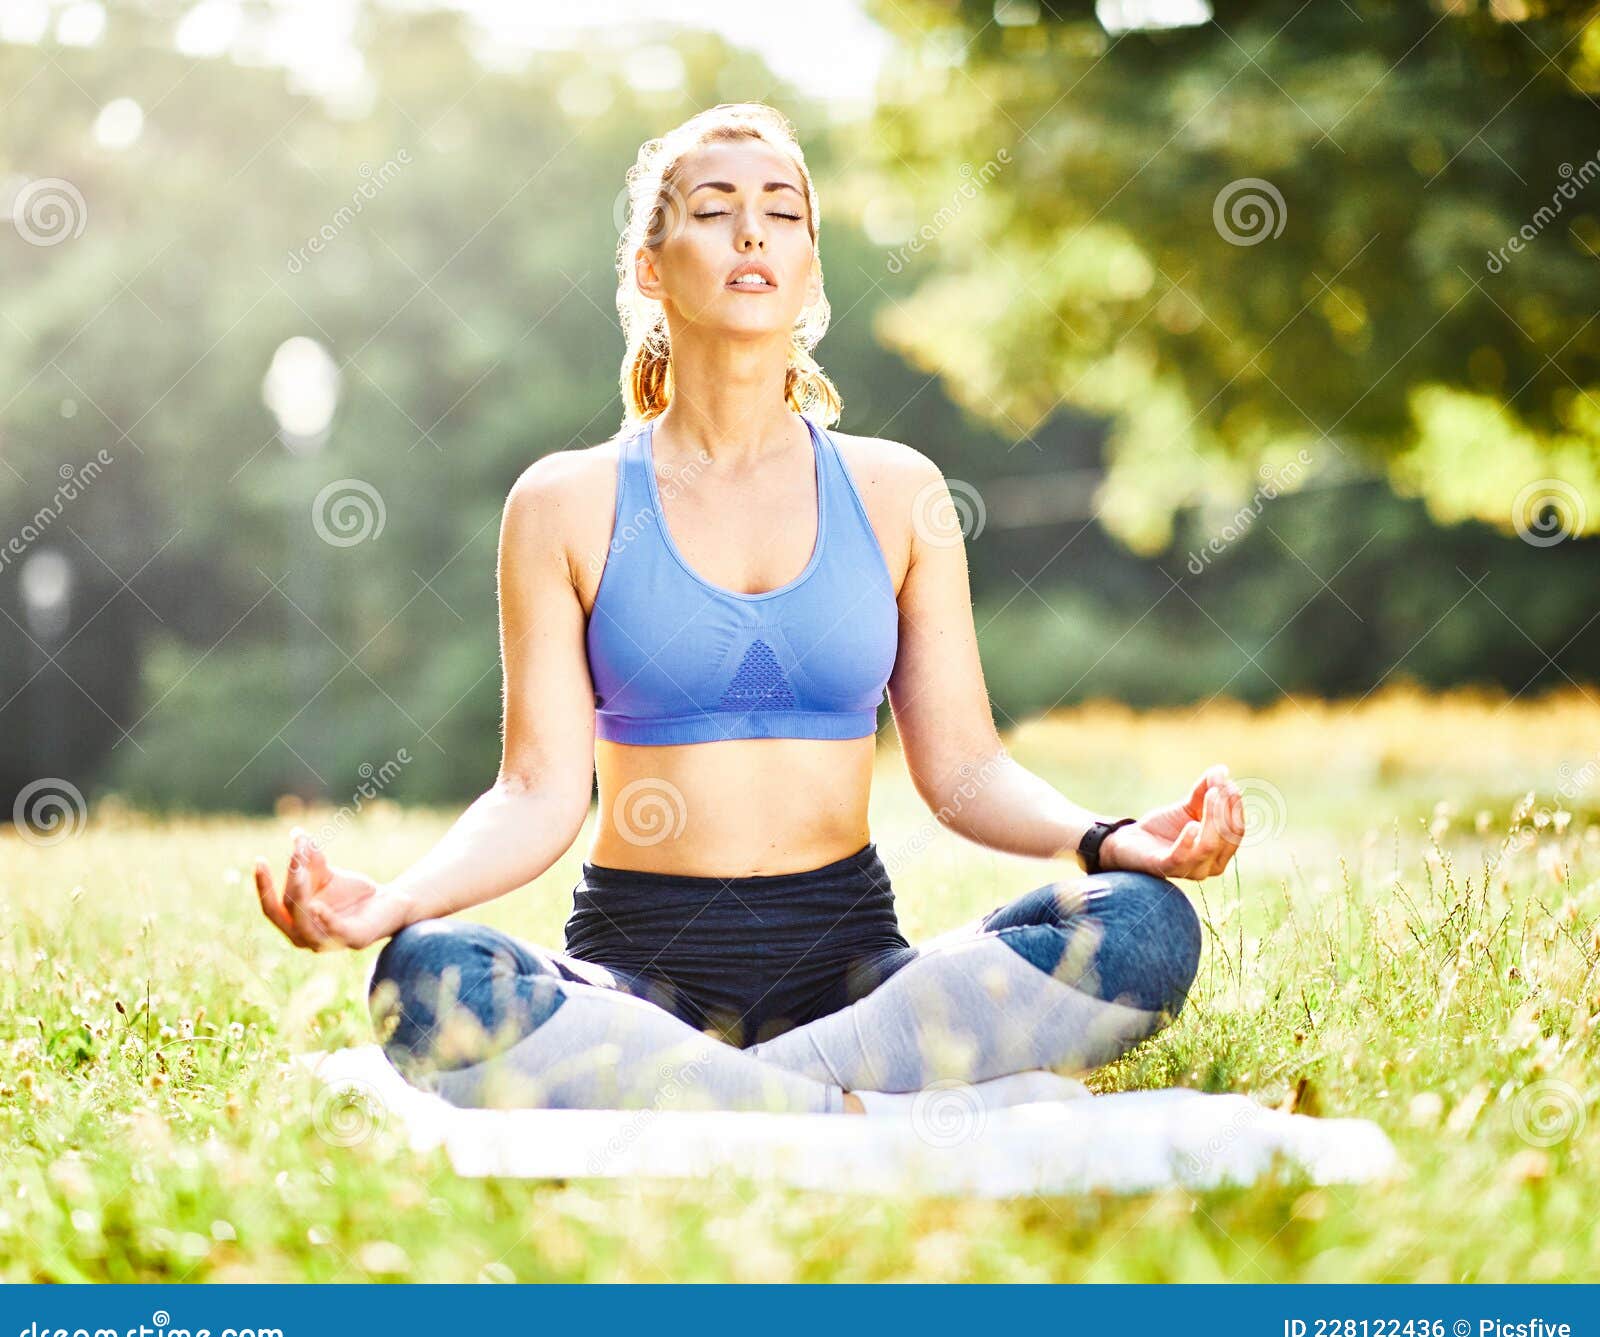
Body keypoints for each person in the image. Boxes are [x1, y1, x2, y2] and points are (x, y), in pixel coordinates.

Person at [253, 102, 1245, 1116]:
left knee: (1145, 928)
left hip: (855, 970)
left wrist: (1111, 840)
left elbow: (964, 770)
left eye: (783, 213)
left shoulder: (897, 492)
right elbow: (536, 792)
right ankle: (828, 1100)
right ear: (650, 264)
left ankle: (734, 1097)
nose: (752, 233)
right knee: (426, 978)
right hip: (636, 980)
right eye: (715, 209)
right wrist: (396, 902)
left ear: (810, 266)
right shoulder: (564, 503)